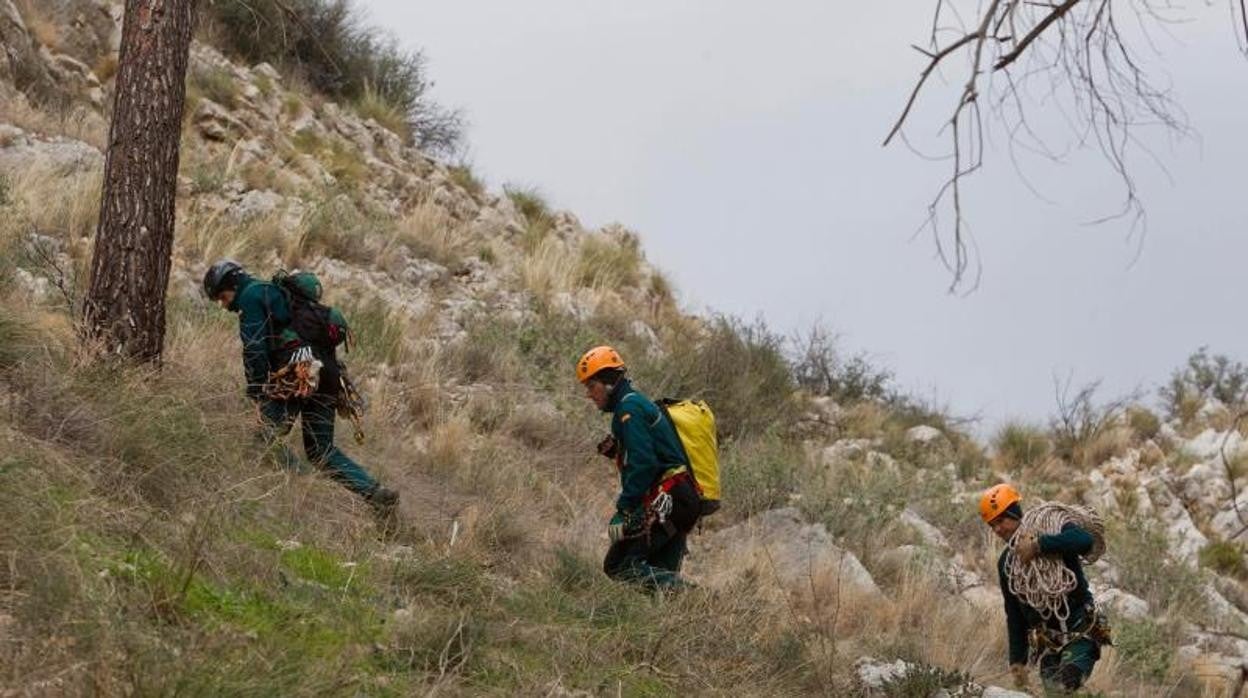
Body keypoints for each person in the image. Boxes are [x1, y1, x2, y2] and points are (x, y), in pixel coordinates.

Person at [202, 259, 398, 519]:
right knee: (321, 450)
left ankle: (307, 490)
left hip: (299, 374)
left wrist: (257, 391)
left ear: (232, 285)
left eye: (221, 297)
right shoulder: (275, 293)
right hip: (328, 374)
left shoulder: (250, 297)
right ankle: (376, 494)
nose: (223, 305)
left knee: (264, 440)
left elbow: (254, 349)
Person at [578, 345, 700, 591]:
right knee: (660, 581)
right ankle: (699, 608)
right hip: (682, 500)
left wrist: (624, 510)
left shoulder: (629, 409)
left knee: (619, 565)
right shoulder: (634, 405)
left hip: (670, 498)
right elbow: (651, 456)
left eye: (592, 386)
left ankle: (697, 599)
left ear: (609, 382)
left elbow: (644, 464)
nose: (589, 395)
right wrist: (618, 452)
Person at [980, 483, 1105, 694]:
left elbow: (1084, 541)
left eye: (1001, 520)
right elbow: (1015, 616)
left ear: (1015, 513)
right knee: (1055, 692)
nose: (998, 529)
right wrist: (1017, 662)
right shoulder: (1006, 564)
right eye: (993, 525)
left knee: (1063, 685)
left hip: (1080, 628)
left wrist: (1039, 546)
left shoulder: (1052, 527)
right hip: (1049, 645)